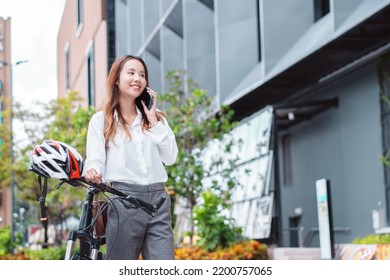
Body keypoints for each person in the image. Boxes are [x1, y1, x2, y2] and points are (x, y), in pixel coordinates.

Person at [83, 55, 178, 260]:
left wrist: (153, 119)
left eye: (142, 75)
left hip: (158, 201)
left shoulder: (155, 117)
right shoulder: (101, 120)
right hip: (123, 200)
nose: (138, 78)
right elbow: (95, 159)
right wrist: (93, 170)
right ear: (116, 79)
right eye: (131, 73)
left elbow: (171, 157)